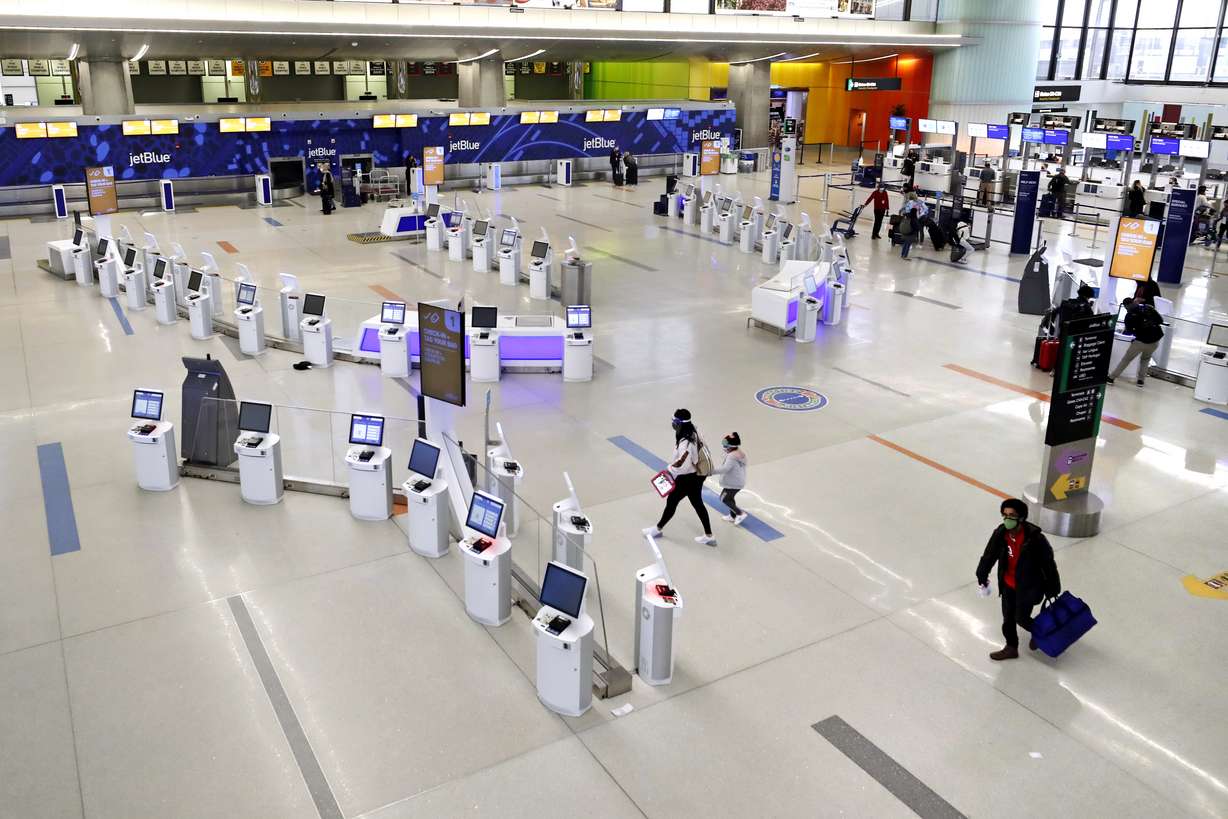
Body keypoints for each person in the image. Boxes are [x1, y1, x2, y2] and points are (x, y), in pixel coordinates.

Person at [975, 499, 1061, 661]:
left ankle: (1041, 632)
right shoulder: (1000, 534)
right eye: (1005, 515)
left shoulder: (1035, 539)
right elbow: (989, 555)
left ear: (1021, 517)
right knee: (1008, 618)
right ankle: (1011, 647)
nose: (1008, 519)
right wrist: (982, 574)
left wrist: (1053, 587)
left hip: (1028, 586)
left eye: (1012, 515)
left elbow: (1048, 564)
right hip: (1008, 583)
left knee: (1020, 618)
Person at [644, 409, 716, 546]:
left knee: (672, 501)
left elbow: (683, 465)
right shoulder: (693, 430)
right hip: (695, 476)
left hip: (688, 477)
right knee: (697, 503)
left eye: (674, 422)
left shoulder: (686, 442)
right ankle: (709, 535)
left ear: (679, 423)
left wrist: (669, 470)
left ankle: (657, 529)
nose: (672, 424)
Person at [1107, 297, 1165, 387]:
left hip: (1140, 342)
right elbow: (1161, 320)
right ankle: (1140, 381)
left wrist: (1137, 330)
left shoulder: (1129, 316)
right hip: (1154, 342)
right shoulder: (1148, 308)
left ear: (1126, 306)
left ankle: (1111, 378)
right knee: (1145, 360)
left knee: (1126, 360)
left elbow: (1129, 331)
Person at [710, 432, 748, 525]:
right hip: (737, 481)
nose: (723, 447)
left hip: (733, 483)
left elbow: (725, 469)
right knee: (730, 498)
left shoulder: (732, 456)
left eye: (725, 445)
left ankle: (740, 513)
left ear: (730, 446)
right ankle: (732, 516)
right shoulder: (738, 452)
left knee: (724, 499)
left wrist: (710, 471)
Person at [898, 192, 927, 260]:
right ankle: (905, 255)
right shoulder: (918, 202)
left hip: (908, 221)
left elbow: (902, 210)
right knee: (909, 239)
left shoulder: (909, 203)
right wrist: (920, 215)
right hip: (914, 221)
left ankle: (903, 254)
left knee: (906, 240)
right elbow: (925, 209)